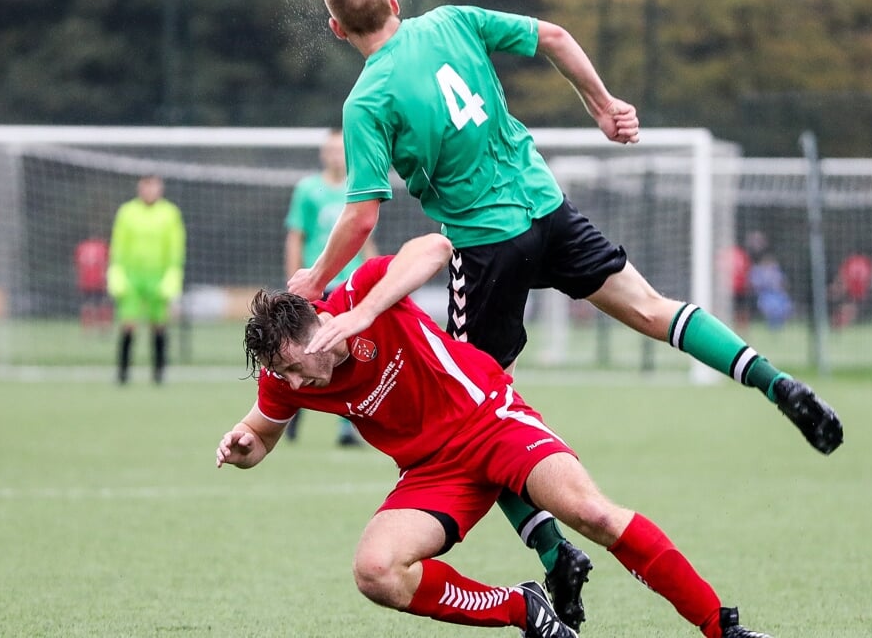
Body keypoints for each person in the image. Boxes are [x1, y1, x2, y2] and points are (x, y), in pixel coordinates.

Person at [289, 0, 842, 629]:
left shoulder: (366, 99)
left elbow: (363, 213)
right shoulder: (453, 20)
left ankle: (553, 549)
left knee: (475, 418)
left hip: (486, 245)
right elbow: (553, 36)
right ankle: (772, 379)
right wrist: (602, 105)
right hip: (546, 207)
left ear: (338, 29)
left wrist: (315, 278)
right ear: (395, 4)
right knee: (651, 308)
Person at [220, 234, 776, 638]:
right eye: (281, 373)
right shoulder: (285, 378)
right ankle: (524, 609)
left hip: (492, 421)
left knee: (595, 515)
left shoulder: (359, 293)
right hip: (431, 473)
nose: (291, 382)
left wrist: (366, 311)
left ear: (317, 325)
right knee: (376, 571)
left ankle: (720, 628)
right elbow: (261, 433)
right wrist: (245, 444)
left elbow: (435, 248)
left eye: (295, 366)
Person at [282, 129, 377, 446]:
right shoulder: (308, 189)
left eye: (341, 150)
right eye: (331, 150)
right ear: (324, 154)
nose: (336, 155)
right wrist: (295, 281)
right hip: (316, 283)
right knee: (303, 349)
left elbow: (363, 234)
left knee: (347, 353)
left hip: (348, 286)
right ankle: (290, 416)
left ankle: (347, 428)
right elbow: (297, 235)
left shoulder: (357, 187)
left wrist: (380, 275)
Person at [107, 174, 185, 385]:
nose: (150, 191)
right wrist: (116, 271)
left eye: (154, 186)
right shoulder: (127, 212)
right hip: (132, 277)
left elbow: (175, 247)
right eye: (146, 186)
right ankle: (122, 373)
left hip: (158, 278)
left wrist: (172, 274)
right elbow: (119, 244)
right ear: (140, 188)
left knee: (159, 324)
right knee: (128, 324)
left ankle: (159, 373)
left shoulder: (169, 213)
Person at [74, 234, 112, 332]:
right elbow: (108, 262)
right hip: (100, 280)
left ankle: (87, 328)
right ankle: (104, 326)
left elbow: (78, 263)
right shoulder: (102, 247)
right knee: (103, 303)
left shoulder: (82, 247)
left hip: (85, 281)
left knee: (87, 303)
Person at [828, 251, 872, 329]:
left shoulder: (851, 261)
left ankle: (838, 323)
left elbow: (842, 275)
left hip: (852, 290)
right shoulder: (866, 262)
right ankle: (837, 322)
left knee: (849, 308)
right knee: (849, 308)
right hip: (859, 291)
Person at [749, 253, 794, 331]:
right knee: (770, 306)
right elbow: (755, 285)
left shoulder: (777, 272)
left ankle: (780, 325)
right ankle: (771, 325)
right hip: (765, 295)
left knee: (785, 305)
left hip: (778, 295)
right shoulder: (758, 272)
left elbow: (784, 283)